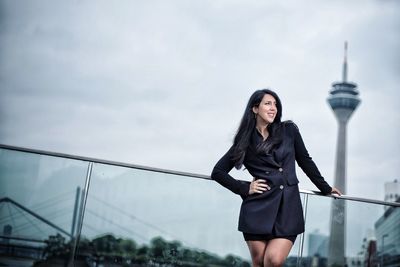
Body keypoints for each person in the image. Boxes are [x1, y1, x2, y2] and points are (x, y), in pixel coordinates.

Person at [211, 89, 341, 267]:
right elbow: (218, 172)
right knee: (259, 262)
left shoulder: (289, 130)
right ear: (255, 109)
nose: (273, 108)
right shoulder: (245, 141)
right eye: (267, 104)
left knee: (273, 260)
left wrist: (325, 187)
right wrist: (244, 188)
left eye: (275, 105)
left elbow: (305, 160)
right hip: (258, 207)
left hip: (288, 208)